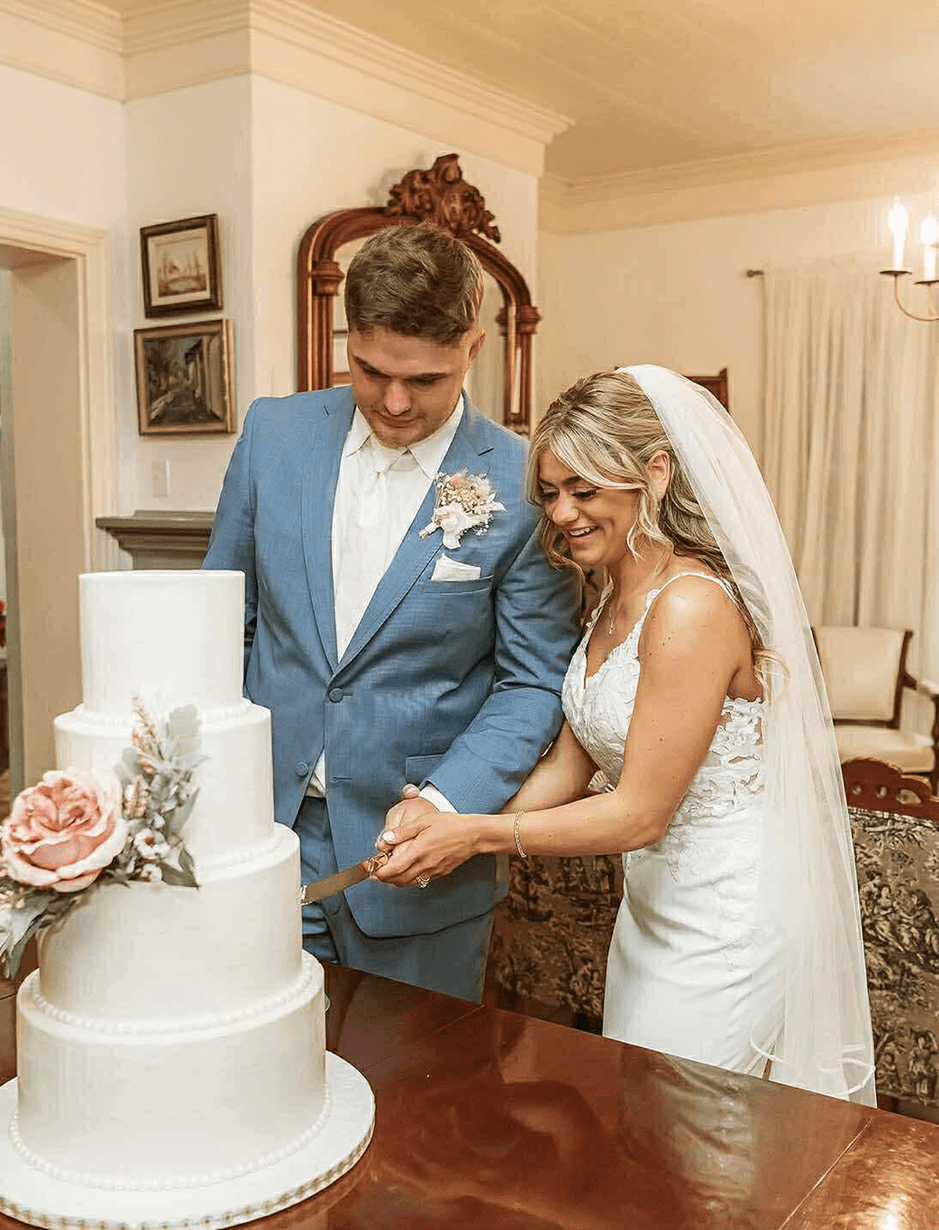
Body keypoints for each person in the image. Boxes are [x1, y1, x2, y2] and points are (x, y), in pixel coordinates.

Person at [376, 365, 876, 1102]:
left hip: (729, 917)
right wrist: (443, 819)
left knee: (690, 1129)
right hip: (653, 909)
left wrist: (479, 837)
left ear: (656, 474)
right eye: (550, 494)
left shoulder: (690, 606)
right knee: (651, 1121)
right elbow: (571, 766)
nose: (563, 513)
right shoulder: (614, 594)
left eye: (585, 490)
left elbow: (641, 811)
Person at [202, 222, 579, 1001]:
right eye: (371, 371)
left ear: (474, 348)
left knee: (415, 1101)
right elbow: (221, 621)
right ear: (348, 335)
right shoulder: (274, 434)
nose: (395, 402)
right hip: (260, 835)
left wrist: (445, 808)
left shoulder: (522, 479)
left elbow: (534, 682)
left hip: (421, 861)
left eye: (426, 380)